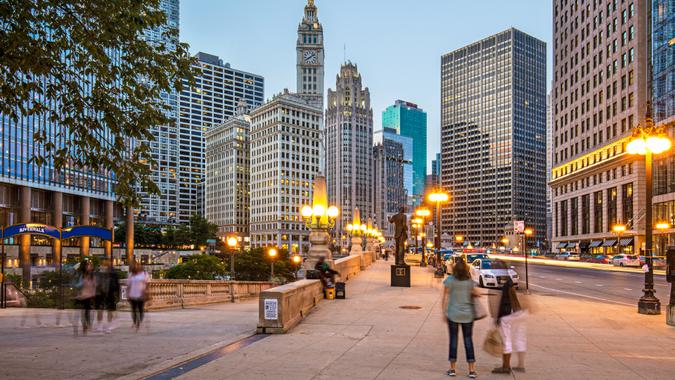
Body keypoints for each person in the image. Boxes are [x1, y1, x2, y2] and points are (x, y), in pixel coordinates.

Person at [442, 258, 479, 378]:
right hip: (468, 315)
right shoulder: (469, 282)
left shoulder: (450, 280)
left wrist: (444, 312)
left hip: (453, 314)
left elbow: (445, 298)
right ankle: (471, 370)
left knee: (453, 340)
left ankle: (452, 369)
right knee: (468, 340)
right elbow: (477, 294)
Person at [492, 278, 528, 374]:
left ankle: (506, 367)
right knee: (519, 338)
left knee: (506, 340)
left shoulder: (506, 285)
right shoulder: (512, 283)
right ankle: (519, 365)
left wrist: (498, 318)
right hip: (519, 313)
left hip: (508, 315)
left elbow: (504, 303)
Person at [95, 259, 120, 333]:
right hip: (104, 293)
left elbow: (116, 284)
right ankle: (103, 326)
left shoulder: (111, 273)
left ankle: (104, 326)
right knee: (104, 310)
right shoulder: (99, 273)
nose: (103, 266)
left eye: (104, 265)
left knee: (106, 310)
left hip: (106, 293)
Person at [75, 261, 96, 335]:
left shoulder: (93, 276)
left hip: (90, 295)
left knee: (87, 311)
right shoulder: (82, 275)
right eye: (88, 266)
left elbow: (95, 285)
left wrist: (94, 294)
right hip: (83, 295)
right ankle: (85, 325)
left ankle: (88, 324)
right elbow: (79, 285)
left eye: (90, 266)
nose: (89, 267)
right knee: (84, 311)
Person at [127, 262, 149, 331]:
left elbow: (147, 284)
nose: (136, 267)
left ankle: (140, 321)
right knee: (133, 309)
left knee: (140, 309)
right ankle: (135, 321)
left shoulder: (144, 274)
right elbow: (128, 285)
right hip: (132, 294)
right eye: (135, 266)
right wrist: (128, 294)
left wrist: (146, 292)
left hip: (141, 294)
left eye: (137, 266)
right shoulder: (131, 274)